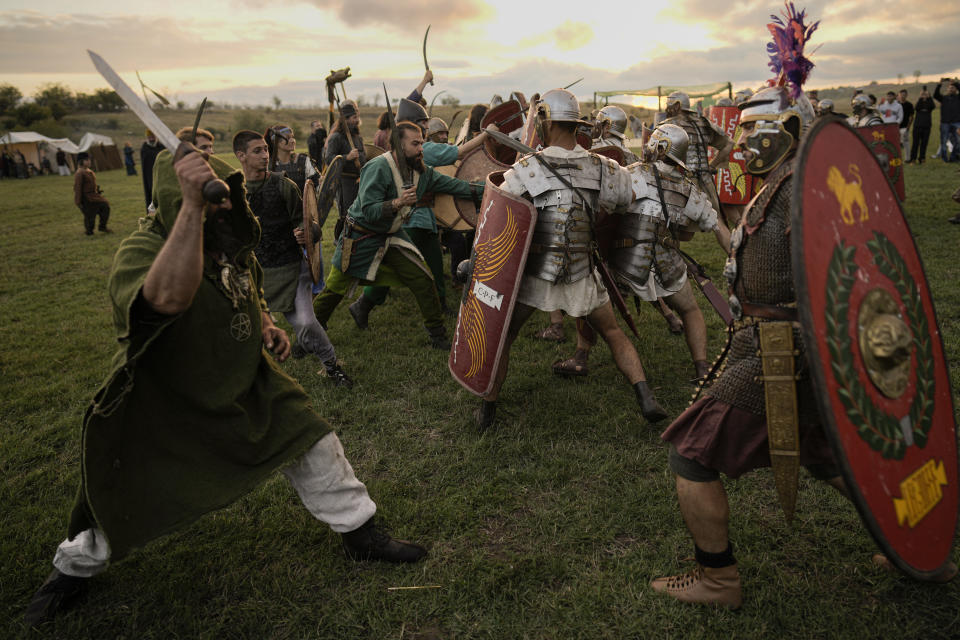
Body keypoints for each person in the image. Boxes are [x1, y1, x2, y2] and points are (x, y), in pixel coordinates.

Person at [24, 145, 426, 628]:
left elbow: (246, 288)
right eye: (214, 199)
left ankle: (361, 535)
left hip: (243, 378)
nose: (226, 206)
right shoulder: (143, 249)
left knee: (311, 438)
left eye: (226, 197)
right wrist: (194, 208)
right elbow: (168, 298)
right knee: (125, 493)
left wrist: (265, 326)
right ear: (180, 200)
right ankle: (70, 572)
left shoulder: (226, 244)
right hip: (166, 397)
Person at [649, 85, 955, 610]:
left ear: (786, 129)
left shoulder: (800, 192)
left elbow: (848, 270)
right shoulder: (781, 184)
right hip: (791, 349)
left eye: (750, 129)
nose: (740, 140)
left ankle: (717, 579)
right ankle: (907, 543)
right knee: (826, 457)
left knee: (690, 455)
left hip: (780, 352)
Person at [471, 89, 667, 431]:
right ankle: (645, 395)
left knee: (506, 336)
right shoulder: (603, 167)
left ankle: (487, 409)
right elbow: (627, 199)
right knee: (613, 333)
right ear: (576, 124)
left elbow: (500, 216)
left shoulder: (527, 169)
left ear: (545, 122)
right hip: (581, 271)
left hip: (536, 274)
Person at [554, 124, 726, 383]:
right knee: (690, 310)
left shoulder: (634, 174)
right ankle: (702, 368)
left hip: (624, 264)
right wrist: (737, 255)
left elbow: (604, 208)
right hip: (668, 266)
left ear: (658, 147)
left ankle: (580, 357)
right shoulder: (689, 189)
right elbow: (713, 226)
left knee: (590, 299)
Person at [312, 122, 482, 350]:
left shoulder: (422, 171)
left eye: (421, 142)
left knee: (423, 279)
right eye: (416, 143)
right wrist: (398, 202)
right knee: (334, 290)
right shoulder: (378, 168)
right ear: (399, 146)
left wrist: (491, 188)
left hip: (390, 235)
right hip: (360, 237)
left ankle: (438, 335)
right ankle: (310, 335)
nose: (422, 147)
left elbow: (456, 186)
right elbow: (368, 211)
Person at [350, 98, 494, 325]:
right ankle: (364, 303)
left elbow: (451, 184)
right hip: (409, 221)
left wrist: (490, 187)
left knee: (434, 263)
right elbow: (456, 154)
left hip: (425, 219)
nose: (424, 136)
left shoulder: (423, 161)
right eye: (422, 128)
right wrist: (485, 136)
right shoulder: (420, 149)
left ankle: (440, 304)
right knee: (402, 270)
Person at [233, 130, 350, 386]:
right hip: (255, 276)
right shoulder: (234, 193)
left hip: (292, 269)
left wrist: (306, 233)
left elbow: (312, 225)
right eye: (257, 151)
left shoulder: (283, 185)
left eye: (265, 149)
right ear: (240, 156)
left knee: (307, 323)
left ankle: (331, 366)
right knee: (243, 331)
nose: (265, 155)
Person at [658, 92, 733, 222]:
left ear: (677, 105)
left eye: (668, 105)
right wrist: (712, 165)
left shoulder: (667, 126)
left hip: (682, 182)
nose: (666, 109)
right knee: (717, 222)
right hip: (706, 180)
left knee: (675, 221)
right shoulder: (703, 123)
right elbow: (729, 143)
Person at [325, 99, 366, 240]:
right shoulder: (336, 137)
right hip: (345, 182)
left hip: (359, 180)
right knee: (347, 214)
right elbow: (328, 158)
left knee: (360, 213)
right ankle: (342, 241)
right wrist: (346, 157)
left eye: (357, 117)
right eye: (354, 117)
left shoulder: (357, 136)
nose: (357, 120)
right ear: (346, 119)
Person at [265, 123, 319, 194]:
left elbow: (317, 185)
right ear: (276, 142)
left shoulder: (303, 160)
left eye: (292, 137)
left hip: (301, 204)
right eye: (288, 138)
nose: (293, 141)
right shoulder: (267, 164)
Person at [72, 151, 111, 235]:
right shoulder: (80, 173)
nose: (89, 161)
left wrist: (97, 191)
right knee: (90, 216)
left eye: (89, 160)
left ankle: (102, 226)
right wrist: (78, 202)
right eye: (87, 160)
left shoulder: (88, 171)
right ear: (81, 161)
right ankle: (89, 231)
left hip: (94, 196)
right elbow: (77, 188)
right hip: (87, 198)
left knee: (105, 207)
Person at [933, 78, 960, 163]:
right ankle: (945, 159)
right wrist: (939, 84)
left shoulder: (958, 98)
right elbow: (935, 95)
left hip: (956, 122)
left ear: (955, 89)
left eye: (953, 87)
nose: (951, 89)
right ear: (947, 89)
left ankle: (953, 157)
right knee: (944, 142)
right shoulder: (943, 98)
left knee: (958, 141)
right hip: (945, 123)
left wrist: (955, 83)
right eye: (950, 87)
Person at [910, 88, 935, 165]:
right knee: (915, 144)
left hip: (927, 126)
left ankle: (922, 158)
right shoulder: (919, 103)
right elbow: (917, 108)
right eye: (923, 94)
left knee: (924, 143)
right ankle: (913, 159)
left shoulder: (929, 103)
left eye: (926, 94)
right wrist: (920, 98)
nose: (924, 96)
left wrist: (929, 97)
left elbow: (933, 106)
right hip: (917, 126)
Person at [140, 129, 163, 210]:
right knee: (151, 194)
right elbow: (146, 163)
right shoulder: (145, 148)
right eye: (150, 137)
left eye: (153, 137)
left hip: (161, 175)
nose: (152, 139)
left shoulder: (161, 147)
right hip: (150, 175)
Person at [897, 89, 914, 160]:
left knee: (906, 143)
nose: (903, 96)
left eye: (904, 95)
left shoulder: (909, 105)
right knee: (897, 143)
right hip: (896, 126)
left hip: (905, 126)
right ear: (899, 95)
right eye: (901, 95)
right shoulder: (896, 105)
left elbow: (911, 116)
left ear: (906, 95)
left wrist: (908, 127)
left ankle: (907, 158)